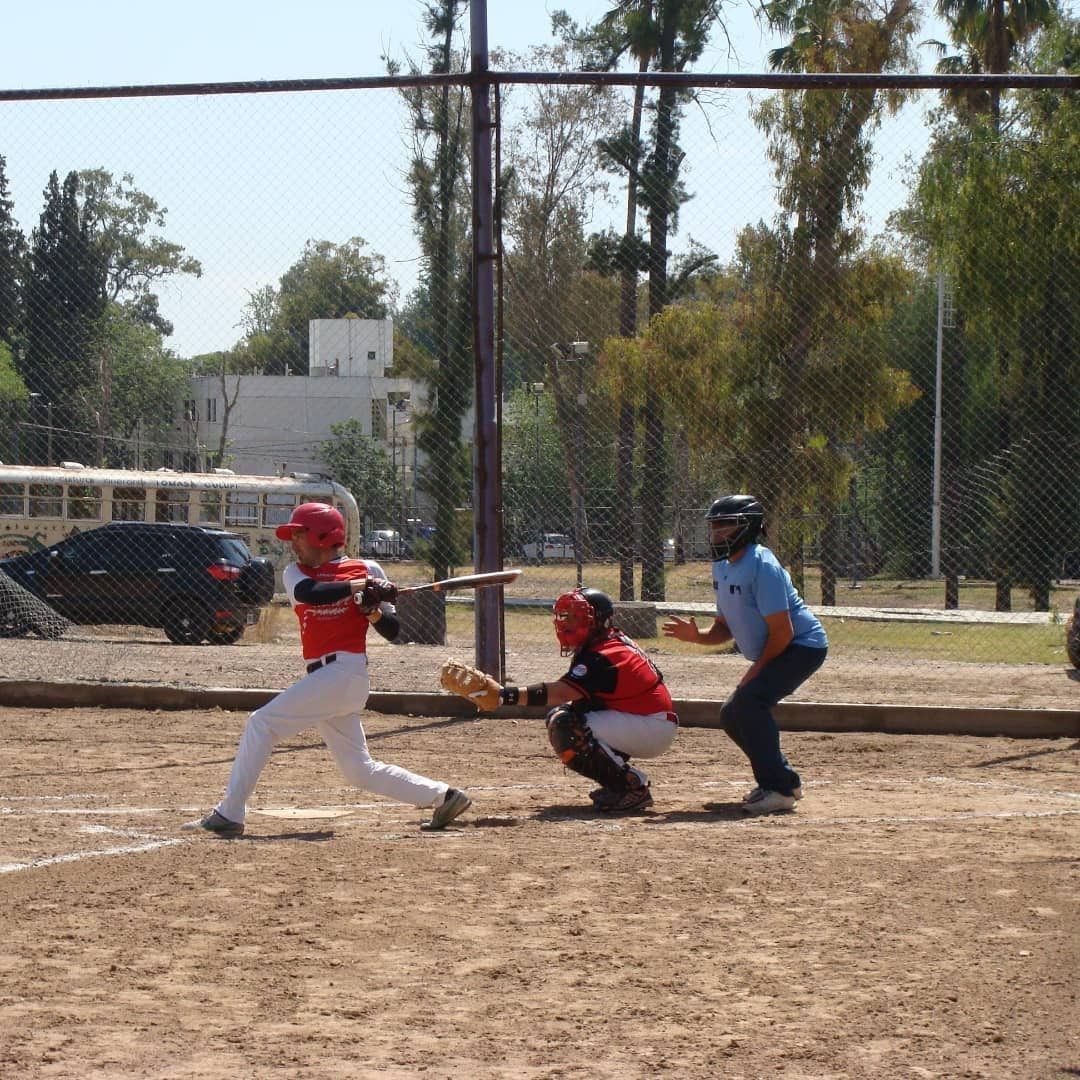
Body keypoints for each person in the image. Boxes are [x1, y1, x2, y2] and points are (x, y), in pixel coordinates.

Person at [184, 502, 471, 837]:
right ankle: (445, 796)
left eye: (299, 534)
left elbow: (393, 631)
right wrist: (359, 588)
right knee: (359, 770)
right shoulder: (297, 574)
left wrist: (373, 610)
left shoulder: (367, 568)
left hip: (344, 672)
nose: (293, 543)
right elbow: (313, 594)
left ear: (322, 535)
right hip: (327, 679)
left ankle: (229, 813)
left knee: (261, 724)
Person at [662, 494, 828, 815]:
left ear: (748, 528)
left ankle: (779, 791)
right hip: (781, 647)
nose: (717, 533)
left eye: (725, 525)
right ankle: (783, 779)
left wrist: (755, 672)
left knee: (750, 703)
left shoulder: (762, 565)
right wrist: (697, 637)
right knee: (731, 714)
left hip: (802, 646)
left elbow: (783, 632)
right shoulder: (722, 566)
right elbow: (724, 627)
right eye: (714, 526)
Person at [501, 587, 678, 812]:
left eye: (577, 617)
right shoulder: (603, 641)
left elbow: (561, 692)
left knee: (565, 725)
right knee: (568, 713)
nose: (567, 624)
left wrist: (504, 696)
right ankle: (620, 783)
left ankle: (631, 787)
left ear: (597, 621)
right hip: (642, 721)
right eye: (566, 616)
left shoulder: (605, 654)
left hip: (651, 726)